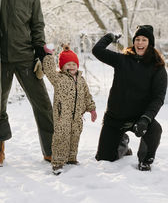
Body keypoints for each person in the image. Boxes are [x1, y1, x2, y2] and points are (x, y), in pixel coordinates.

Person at [0, 0, 53, 167]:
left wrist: (39, 48)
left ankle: (51, 149)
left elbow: (37, 24)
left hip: (25, 56)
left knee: (43, 103)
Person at [92, 25, 167, 171]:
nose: (140, 43)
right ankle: (123, 143)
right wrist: (109, 37)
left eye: (144, 40)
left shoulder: (157, 67)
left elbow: (158, 98)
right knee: (104, 158)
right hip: (115, 117)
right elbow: (97, 51)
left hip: (139, 118)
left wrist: (146, 118)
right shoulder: (122, 60)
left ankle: (145, 160)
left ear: (150, 43)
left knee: (155, 129)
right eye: (137, 39)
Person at [43, 44, 97, 175]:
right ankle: (57, 163)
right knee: (61, 138)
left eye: (74, 64)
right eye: (68, 64)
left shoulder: (81, 80)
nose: (71, 67)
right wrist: (49, 56)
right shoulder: (59, 79)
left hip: (77, 116)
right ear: (62, 67)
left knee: (75, 137)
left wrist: (92, 109)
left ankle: (71, 158)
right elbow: (49, 71)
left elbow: (86, 95)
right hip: (62, 116)